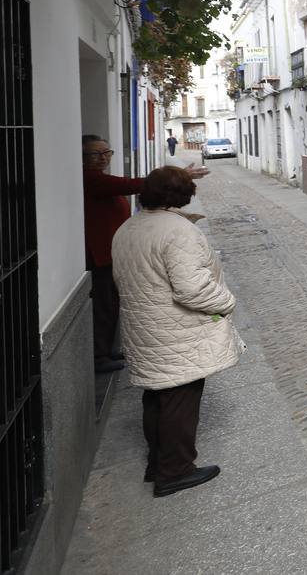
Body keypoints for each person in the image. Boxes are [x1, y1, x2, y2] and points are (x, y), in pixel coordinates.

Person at [112, 166, 241, 497]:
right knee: (180, 399)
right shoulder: (177, 231)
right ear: (184, 195)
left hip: (144, 327)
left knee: (156, 395)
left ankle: (157, 463)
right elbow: (191, 289)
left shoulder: (128, 227)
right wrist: (226, 302)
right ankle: (175, 470)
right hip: (175, 331)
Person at [82, 135, 207, 374]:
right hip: (100, 254)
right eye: (95, 154)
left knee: (111, 303)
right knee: (105, 305)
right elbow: (129, 185)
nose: (103, 158)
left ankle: (106, 350)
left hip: (109, 252)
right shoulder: (91, 179)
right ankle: (99, 356)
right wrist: (179, 177)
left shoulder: (98, 178)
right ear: (83, 158)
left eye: (107, 152)